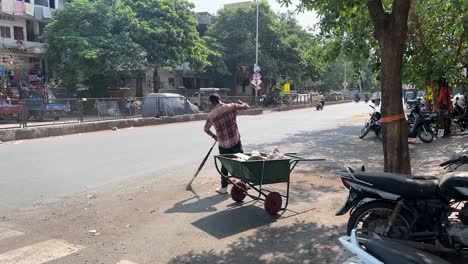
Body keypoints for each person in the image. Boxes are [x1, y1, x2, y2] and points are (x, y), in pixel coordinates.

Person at [204, 94, 250, 194]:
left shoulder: (211, 115)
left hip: (223, 144)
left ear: (211, 103)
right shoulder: (231, 106)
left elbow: (206, 129)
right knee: (241, 161)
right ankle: (244, 183)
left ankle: (223, 188)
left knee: (224, 165)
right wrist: (241, 103)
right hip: (235, 141)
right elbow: (247, 107)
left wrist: (214, 136)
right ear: (219, 99)